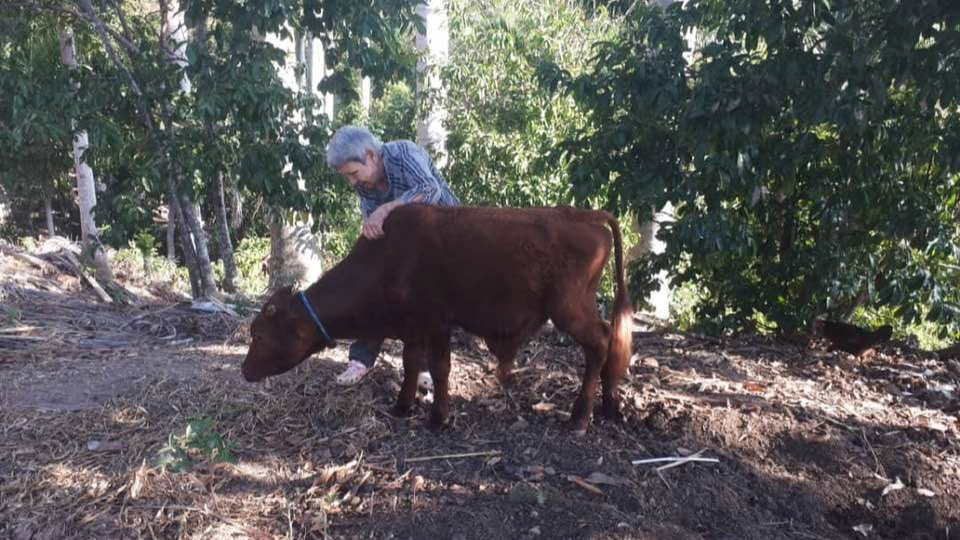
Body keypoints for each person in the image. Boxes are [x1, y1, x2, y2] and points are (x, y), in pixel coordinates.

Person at [325, 125, 461, 386]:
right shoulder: (365, 183)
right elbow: (373, 220)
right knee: (373, 287)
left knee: (424, 297)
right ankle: (361, 360)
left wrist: (387, 209)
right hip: (405, 245)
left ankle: (424, 369)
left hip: (447, 239)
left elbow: (429, 189)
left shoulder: (405, 153)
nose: (353, 182)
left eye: (354, 173)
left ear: (371, 155)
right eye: (347, 177)